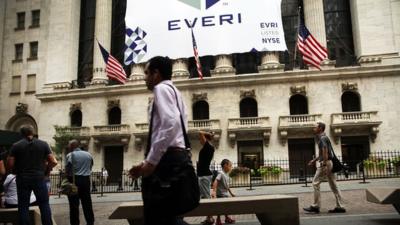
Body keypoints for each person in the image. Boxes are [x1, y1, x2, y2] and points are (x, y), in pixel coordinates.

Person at [129, 56, 192, 225]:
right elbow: (175, 129)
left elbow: (170, 124)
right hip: (176, 159)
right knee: (170, 216)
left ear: (156, 74)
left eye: (147, 73)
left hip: (166, 164)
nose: (144, 77)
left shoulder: (161, 89)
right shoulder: (176, 92)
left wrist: (151, 162)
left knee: (156, 217)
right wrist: (145, 164)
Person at [7, 126, 57, 225]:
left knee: (23, 205)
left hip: (22, 178)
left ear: (21, 134)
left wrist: (14, 171)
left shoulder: (16, 146)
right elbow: (53, 162)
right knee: (44, 204)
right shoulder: (43, 144)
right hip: (39, 177)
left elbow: (10, 164)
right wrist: (46, 171)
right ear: (33, 133)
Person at [303, 122, 346, 214]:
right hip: (329, 162)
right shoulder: (324, 138)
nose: (313, 129)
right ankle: (340, 206)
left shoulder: (322, 139)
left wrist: (324, 164)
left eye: (315, 127)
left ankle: (316, 206)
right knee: (334, 184)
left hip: (326, 163)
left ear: (320, 128)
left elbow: (325, 152)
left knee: (315, 182)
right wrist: (314, 160)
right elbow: (322, 153)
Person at [65, 139, 95, 225]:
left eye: (69, 145)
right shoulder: (88, 154)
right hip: (86, 180)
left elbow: (68, 170)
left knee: (74, 205)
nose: (68, 147)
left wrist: (67, 179)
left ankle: (75, 223)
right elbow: (91, 165)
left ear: (72, 146)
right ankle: (90, 222)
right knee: (87, 203)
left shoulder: (70, 155)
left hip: (75, 181)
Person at [197, 131, 216, 225]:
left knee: (207, 197)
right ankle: (209, 217)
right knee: (203, 196)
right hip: (203, 175)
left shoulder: (208, 146)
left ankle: (210, 218)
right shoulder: (208, 147)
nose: (200, 140)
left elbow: (200, 132)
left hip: (204, 176)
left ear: (205, 138)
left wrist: (208, 133)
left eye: (201, 139)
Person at [212, 159, 236, 225]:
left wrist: (231, 193)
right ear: (225, 165)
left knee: (226, 207)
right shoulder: (221, 173)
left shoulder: (226, 174)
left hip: (225, 194)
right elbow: (216, 181)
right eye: (230, 166)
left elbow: (227, 186)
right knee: (220, 208)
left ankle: (226, 218)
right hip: (221, 194)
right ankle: (218, 220)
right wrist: (214, 191)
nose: (231, 167)